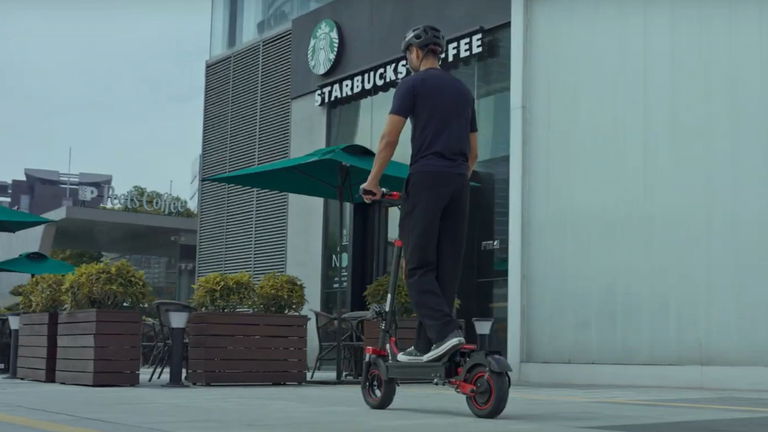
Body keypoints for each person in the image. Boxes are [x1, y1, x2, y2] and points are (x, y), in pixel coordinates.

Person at [360, 24, 478, 362]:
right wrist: (455, 179)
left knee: (417, 266)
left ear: (414, 52)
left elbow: (389, 138)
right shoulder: (463, 91)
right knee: (446, 269)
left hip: (427, 177)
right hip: (459, 181)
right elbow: (473, 154)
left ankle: (446, 332)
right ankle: (427, 345)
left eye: (407, 55)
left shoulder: (411, 84)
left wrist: (372, 181)